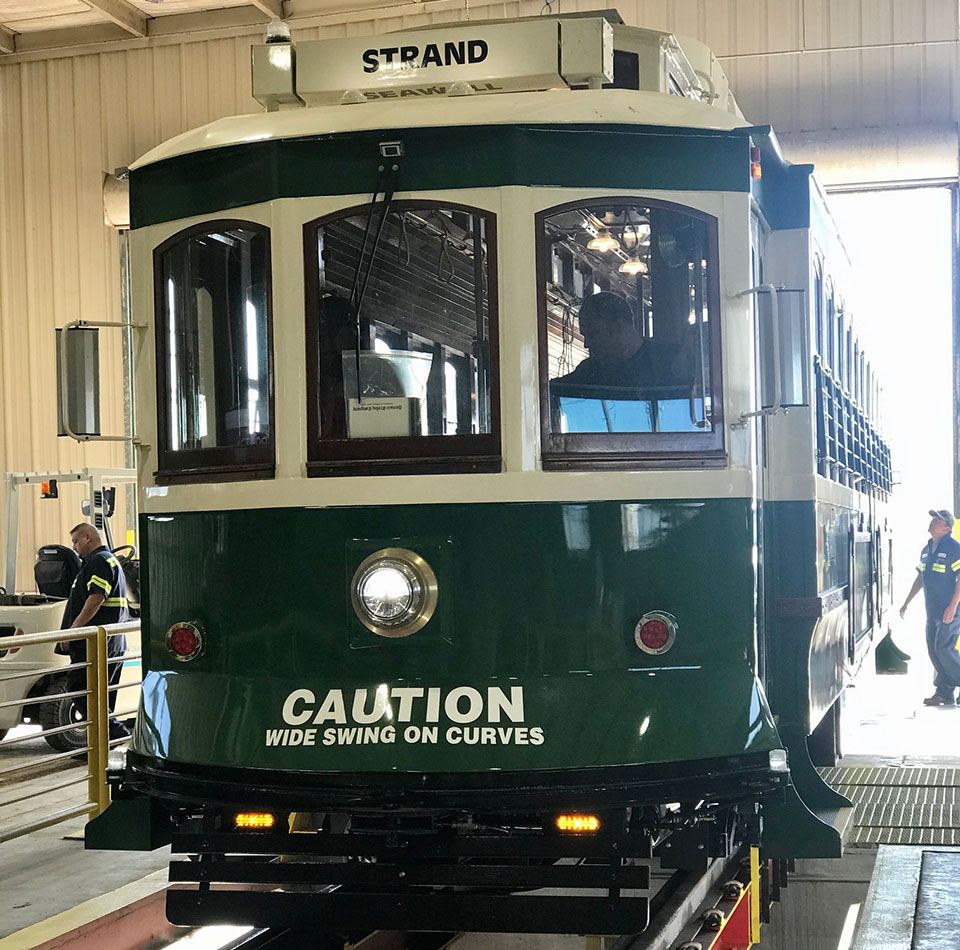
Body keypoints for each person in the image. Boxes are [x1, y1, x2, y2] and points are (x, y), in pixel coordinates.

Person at [58, 523, 131, 740]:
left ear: (88, 537)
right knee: (100, 697)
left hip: (96, 643)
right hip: (109, 641)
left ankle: (116, 736)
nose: (74, 547)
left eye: (76, 541)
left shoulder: (98, 561)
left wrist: (74, 629)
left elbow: (96, 598)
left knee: (81, 690)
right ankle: (100, 749)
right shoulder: (107, 560)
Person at [899, 509, 960, 707]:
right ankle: (944, 693)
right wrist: (906, 602)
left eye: (937, 520)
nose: (932, 522)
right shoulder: (926, 549)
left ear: (947, 528)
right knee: (934, 651)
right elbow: (921, 578)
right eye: (933, 519)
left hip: (951, 610)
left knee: (944, 648)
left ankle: (949, 686)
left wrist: (953, 606)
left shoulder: (954, 548)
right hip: (932, 610)